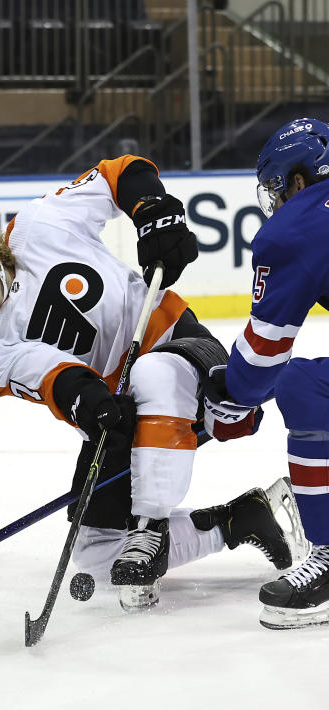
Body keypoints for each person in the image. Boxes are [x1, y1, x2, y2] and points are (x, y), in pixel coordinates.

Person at [0, 155, 302, 610]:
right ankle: (239, 521)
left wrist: (153, 209)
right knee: (96, 552)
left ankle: (149, 529)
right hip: (120, 415)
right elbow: (59, 379)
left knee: (151, 371)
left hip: (181, 351)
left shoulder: (39, 224)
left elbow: (121, 172)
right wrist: (87, 401)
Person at [203, 117, 329, 629]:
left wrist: (227, 396)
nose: (276, 200)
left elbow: (261, 360)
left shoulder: (295, 227)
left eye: (277, 187)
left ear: (298, 181)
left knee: (304, 384)